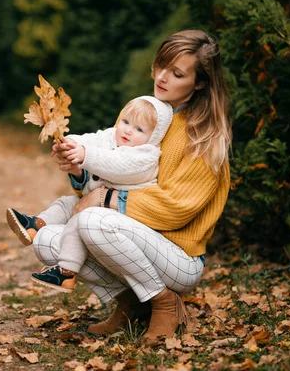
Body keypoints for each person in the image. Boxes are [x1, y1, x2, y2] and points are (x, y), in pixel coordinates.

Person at [35, 29, 231, 345]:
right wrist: (80, 171)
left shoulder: (204, 137)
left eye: (177, 73)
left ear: (200, 83)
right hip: (129, 236)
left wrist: (107, 197)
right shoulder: (146, 112)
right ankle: (131, 305)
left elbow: (175, 209)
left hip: (178, 255)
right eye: (161, 66)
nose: (162, 77)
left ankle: (165, 303)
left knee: (90, 220)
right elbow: (107, 178)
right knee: (44, 240)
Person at [6, 95, 173, 293]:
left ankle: (66, 272)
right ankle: (35, 225)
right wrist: (69, 144)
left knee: (80, 221)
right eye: (125, 122)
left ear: (153, 137)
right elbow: (91, 139)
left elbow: (116, 163)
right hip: (99, 206)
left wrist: (85, 154)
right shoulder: (112, 137)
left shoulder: (147, 156)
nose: (128, 130)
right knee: (66, 203)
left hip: (125, 218)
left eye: (139, 129)